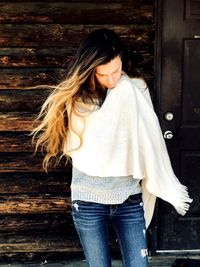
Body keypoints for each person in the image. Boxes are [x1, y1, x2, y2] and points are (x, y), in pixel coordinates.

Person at [32, 28, 192, 267]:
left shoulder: (135, 89)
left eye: (116, 71)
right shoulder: (77, 100)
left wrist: (125, 89)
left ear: (122, 63)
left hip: (128, 198)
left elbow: (149, 140)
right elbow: (81, 147)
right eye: (102, 75)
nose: (112, 79)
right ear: (89, 72)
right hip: (87, 200)